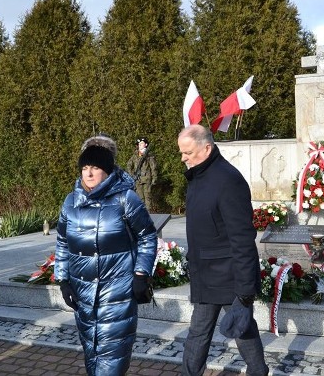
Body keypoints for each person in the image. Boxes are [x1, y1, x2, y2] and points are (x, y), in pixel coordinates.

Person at [55, 134, 158, 376]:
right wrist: (63, 280)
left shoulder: (126, 199)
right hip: (83, 295)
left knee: (112, 359)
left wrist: (141, 273)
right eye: (85, 168)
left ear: (108, 171)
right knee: (91, 355)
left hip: (118, 292)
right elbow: (61, 242)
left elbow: (147, 236)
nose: (89, 174)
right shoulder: (71, 201)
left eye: (96, 168)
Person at [177, 125, 269, 376]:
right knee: (198, 331)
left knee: (242, 329)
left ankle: (259, 371)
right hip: (206, 272)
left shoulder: (228, 180)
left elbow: (242, 237)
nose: (183, 158)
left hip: (229, 275)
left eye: (188, 152)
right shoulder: (198, 176)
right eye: (181, 153)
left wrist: (245, 288)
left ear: (206, 148)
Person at [126, 137, 158, 211]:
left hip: (147, 178)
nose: (140, 145)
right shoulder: (135, 155)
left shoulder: (149, 155)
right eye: (139, 144)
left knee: (148, 197)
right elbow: (129, 165)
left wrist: (154, 178)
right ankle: (142, 214)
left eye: (142, 143)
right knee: (140, 198)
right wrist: (132, 174)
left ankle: (148, 214)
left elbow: (153, 167)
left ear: (146, 145)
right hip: (138, 179)